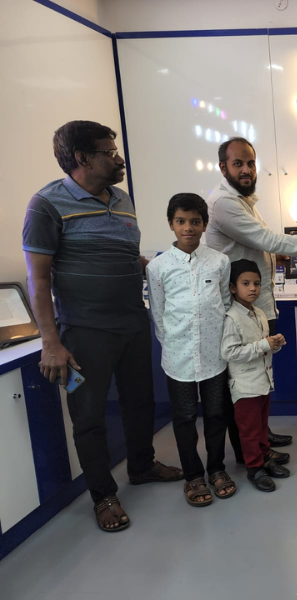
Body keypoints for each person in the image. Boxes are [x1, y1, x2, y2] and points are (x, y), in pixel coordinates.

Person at [22, 121, 182, 532]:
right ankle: (103, 496)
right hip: (83, 332)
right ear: (82, 158)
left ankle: (142, 466)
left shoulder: (122, 199)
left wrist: (166, 268)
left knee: (140, 402)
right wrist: (51, 343)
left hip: (133, 323)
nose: (119, 158)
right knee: (89, 415)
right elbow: (37, 280)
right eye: (109, 152)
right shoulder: (46, 205)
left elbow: (127, 257)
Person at [206, 137, 297, 453]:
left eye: (251, 163)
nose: (247, 169)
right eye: (238, 163)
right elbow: (265, 238)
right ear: (223, 167)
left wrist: (272, 257)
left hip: (257, 305)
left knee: (261, 375)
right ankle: (251, 451)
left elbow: (258, 245)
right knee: (246, 382)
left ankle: (260, 438)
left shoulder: (244, 200)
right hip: (239, 310)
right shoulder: (224, 203)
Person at [146, 193, 236, 506]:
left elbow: (226, 304)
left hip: (214, 355)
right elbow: (158, 313)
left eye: (195, 221)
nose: (188, 228)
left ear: (204, 224)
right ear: (171, 224)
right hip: (179, 357)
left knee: (216, 413)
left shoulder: (219, 261)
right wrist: (173, 345)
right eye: (181, 221)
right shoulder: (158, 267)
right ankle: (193, 476)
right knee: (184, 417)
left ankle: (217, 468)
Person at [221, 259, 289, 492]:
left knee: (261, 426)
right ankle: (254, 468)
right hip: (245, 386)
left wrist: (274, 344)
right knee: (249, 431)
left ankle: (264, 458)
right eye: (246, 283)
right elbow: (229, 352)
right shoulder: (232, 317)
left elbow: (263, 347)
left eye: (257, 283)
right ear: (233, 288)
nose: (252, 288)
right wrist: (263, 345)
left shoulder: (259, 313)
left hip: (262, 382)